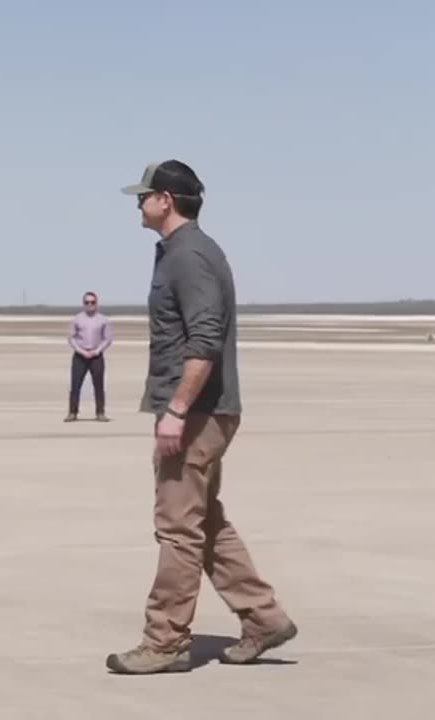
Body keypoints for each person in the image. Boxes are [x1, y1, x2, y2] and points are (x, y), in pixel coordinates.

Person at [106, 160, 296, 675]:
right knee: (204, 521)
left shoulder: (189, 257)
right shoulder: (185, 252)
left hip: (197, 412)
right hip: (204, 409)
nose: (138, 205)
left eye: (143, 197)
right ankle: (263, 617)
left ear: (166, 200)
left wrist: (176, 410)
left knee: (176, 529)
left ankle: (164, 640)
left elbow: (204, 339)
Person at [64, 291, 111, 422]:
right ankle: (72, 412)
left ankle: (100, 413)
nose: (90, 304)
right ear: (83, 304)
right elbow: (71, 338)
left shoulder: (103, 320)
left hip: (96, 356)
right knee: (75, 385)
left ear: (96, 304)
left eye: (92, 302)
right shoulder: (77, 319)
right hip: (80, 355)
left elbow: (107, 339)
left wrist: (96, 351)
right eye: (87, 302)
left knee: (99, 385)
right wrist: (81, 351)